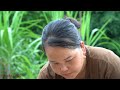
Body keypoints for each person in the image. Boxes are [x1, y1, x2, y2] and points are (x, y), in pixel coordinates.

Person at [37, 18, 120, 79]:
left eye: (69, 59)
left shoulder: (108, 64)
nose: (63, 69)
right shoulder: (47, 75)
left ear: (82, 47)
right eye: (55, 63)